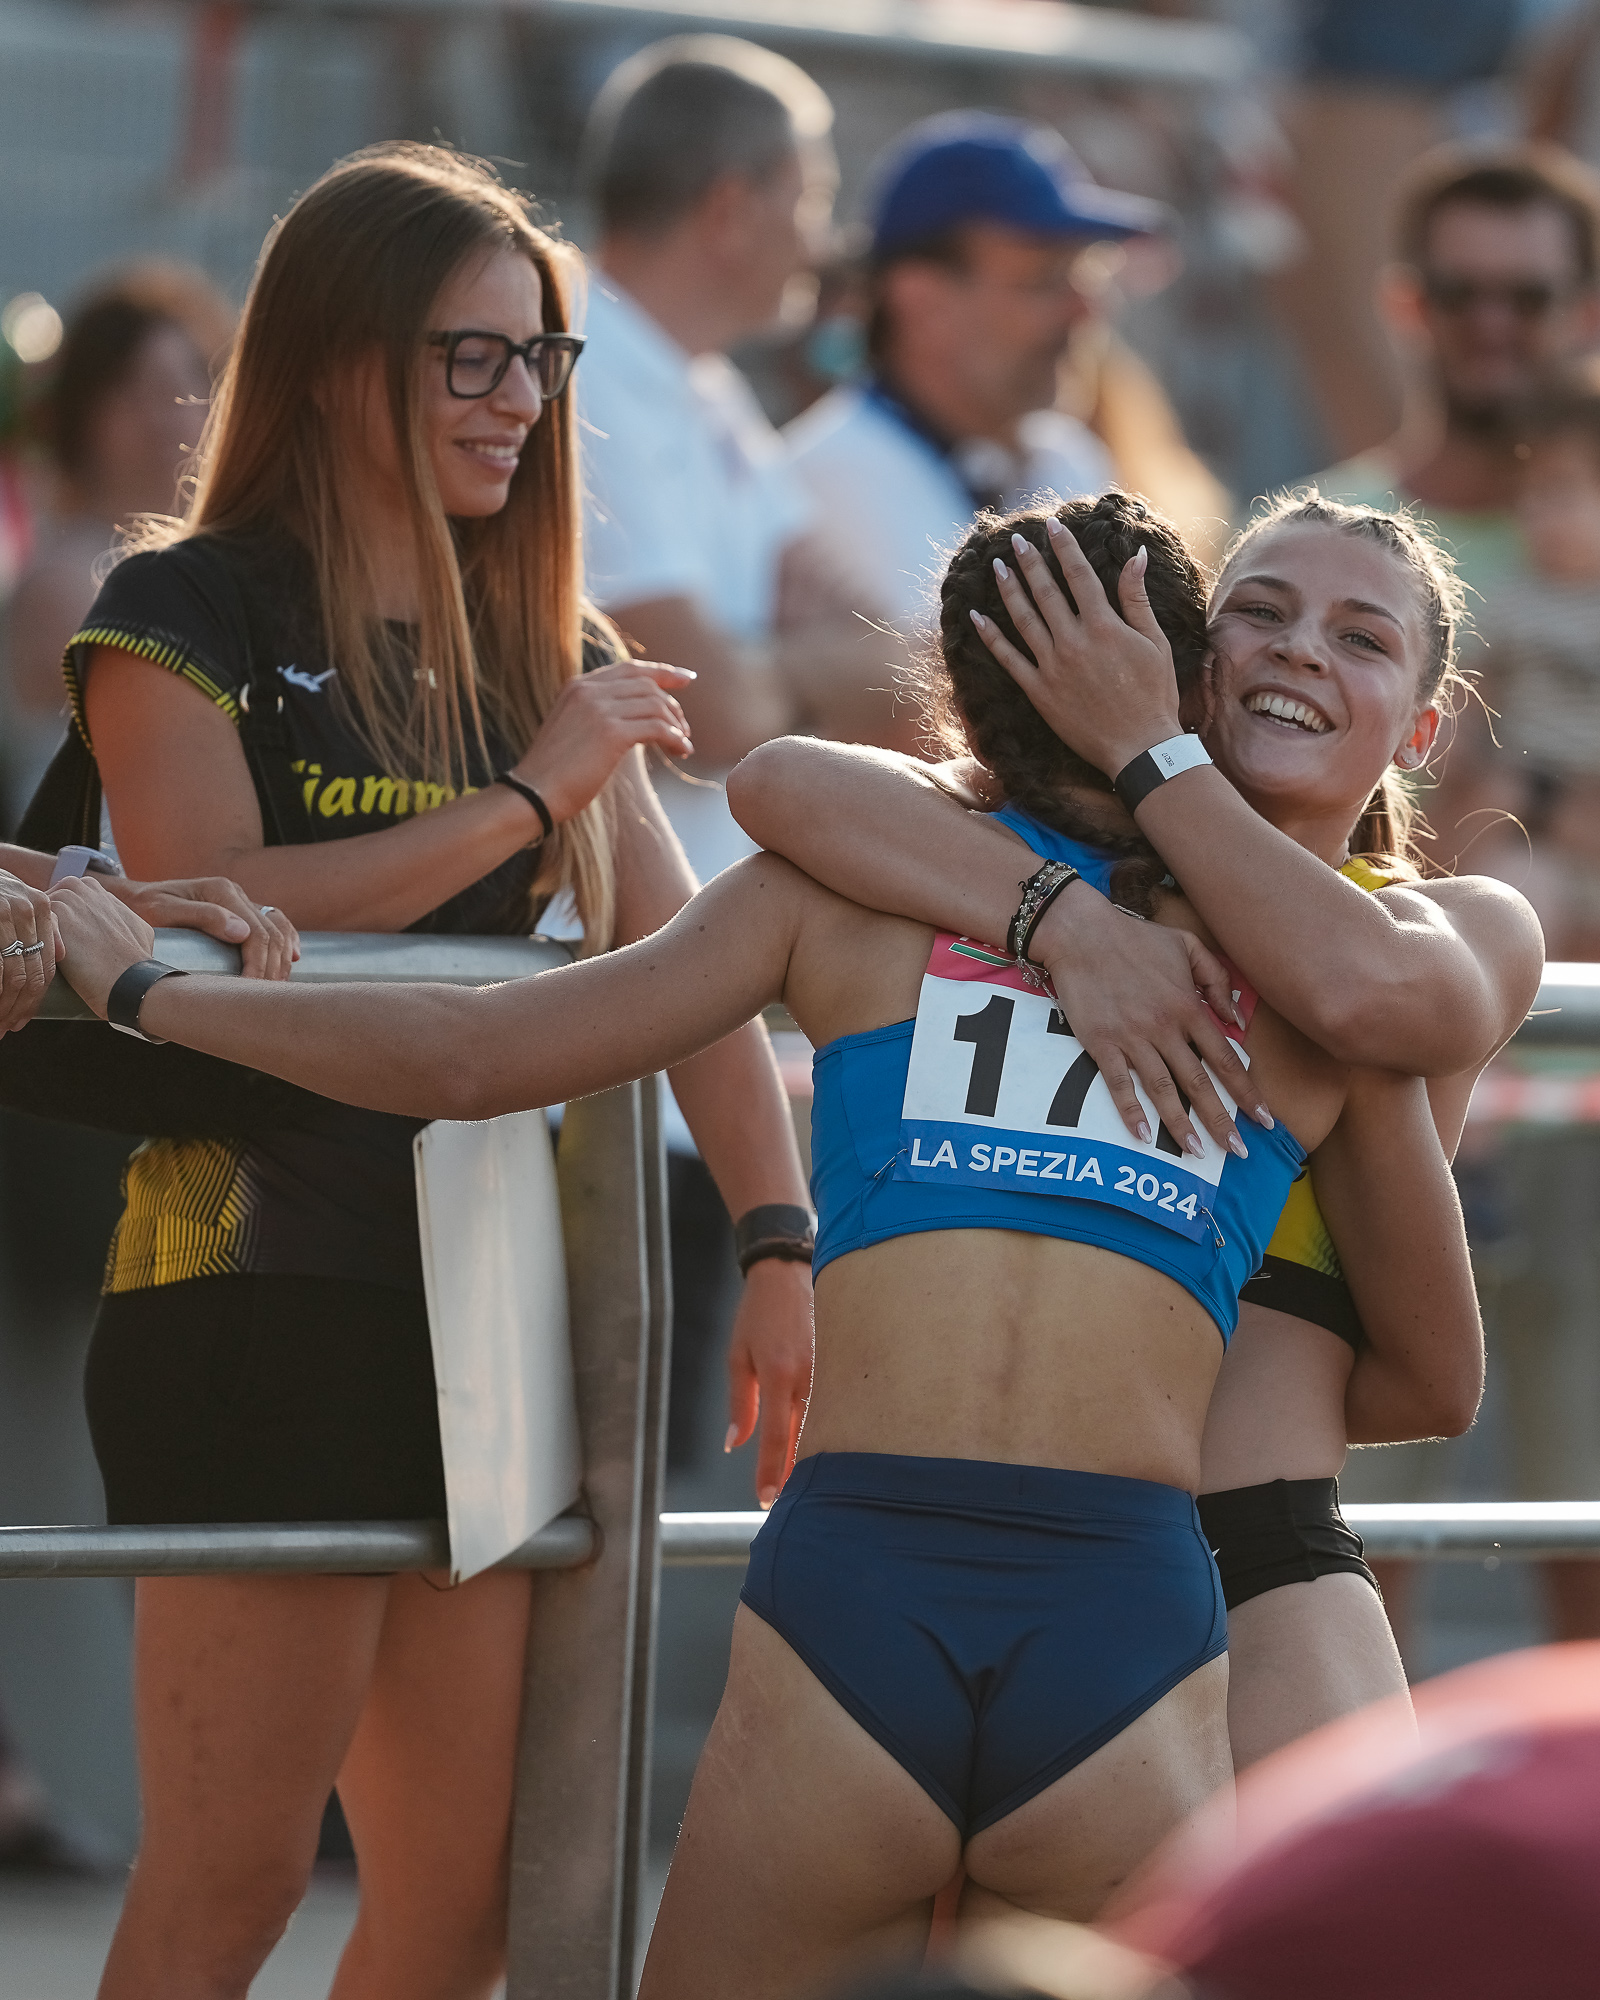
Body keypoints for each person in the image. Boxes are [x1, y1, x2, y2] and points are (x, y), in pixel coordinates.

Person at [52, 496, 1483, 1994]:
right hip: (1125, 1611)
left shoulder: (848, 894)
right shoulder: (1308, 984)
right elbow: (1437, 1365)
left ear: (956, 687)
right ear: (1186, 680)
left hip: (856, 1599)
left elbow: (475, 1051)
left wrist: (156, 994)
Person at [55, 142, 813, 2000]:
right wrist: (528, 800)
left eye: (541, 357)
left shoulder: (550, 644)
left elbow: (693, 975)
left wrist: (784, 1240)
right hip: (251, 1281)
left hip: (489, 1307)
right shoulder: (184, 604)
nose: (518, 401)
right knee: (232, 1889)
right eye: (469, 356)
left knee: (462, 1914)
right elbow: (198, 904)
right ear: (333, 363)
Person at [728, 489, 1540, 1768]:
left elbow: (1357, 1000)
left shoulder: (1453, 924)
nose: (1300, 649)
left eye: (1360, 637)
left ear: (1423, 727)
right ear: (1187, 661)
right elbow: (782, 782)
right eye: (1260, 613)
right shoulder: (1049, 870)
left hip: (1262, 1567)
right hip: (997, 1562)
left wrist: (1156, 758)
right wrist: (1067, 919)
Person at [577, 33, 907, 1475]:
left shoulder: (697, 386)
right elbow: (699, 704)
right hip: (587, 1052)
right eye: (810, 194)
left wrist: (774, 670)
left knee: (630, 1525)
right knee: (574, 1534)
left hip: (682, 1050)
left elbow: (893, 660)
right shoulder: (581, 363)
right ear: (731, 204)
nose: (823, 238)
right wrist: (782, 673)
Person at [1419, 386, 1600, 1646]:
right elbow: (1463, 770)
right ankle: (1465, 1142)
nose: (1554, 515)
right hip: (1529, 848)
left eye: (1576, 494)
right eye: (1542, 492)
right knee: (1503, 895)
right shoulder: (1512, 610)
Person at [783, 111, 1160, 634]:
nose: (1085, 310)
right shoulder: (834, 474)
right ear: (921, 302)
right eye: (1043, 279)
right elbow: (962, 678)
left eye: (1087, 276)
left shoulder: (1064, 457)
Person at [1317, 141, 1600, 606]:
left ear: (1588, 316)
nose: (1491, 324)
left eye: (1530, 297)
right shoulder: (1303, 537)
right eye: (1457, 292)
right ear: (1406, 305)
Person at [3, 262, 232, 823]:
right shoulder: (65, 579)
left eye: (186, 388)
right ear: (82, 412)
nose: (164, 417)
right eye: (134, 390)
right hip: (85, 873)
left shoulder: (208, 565)